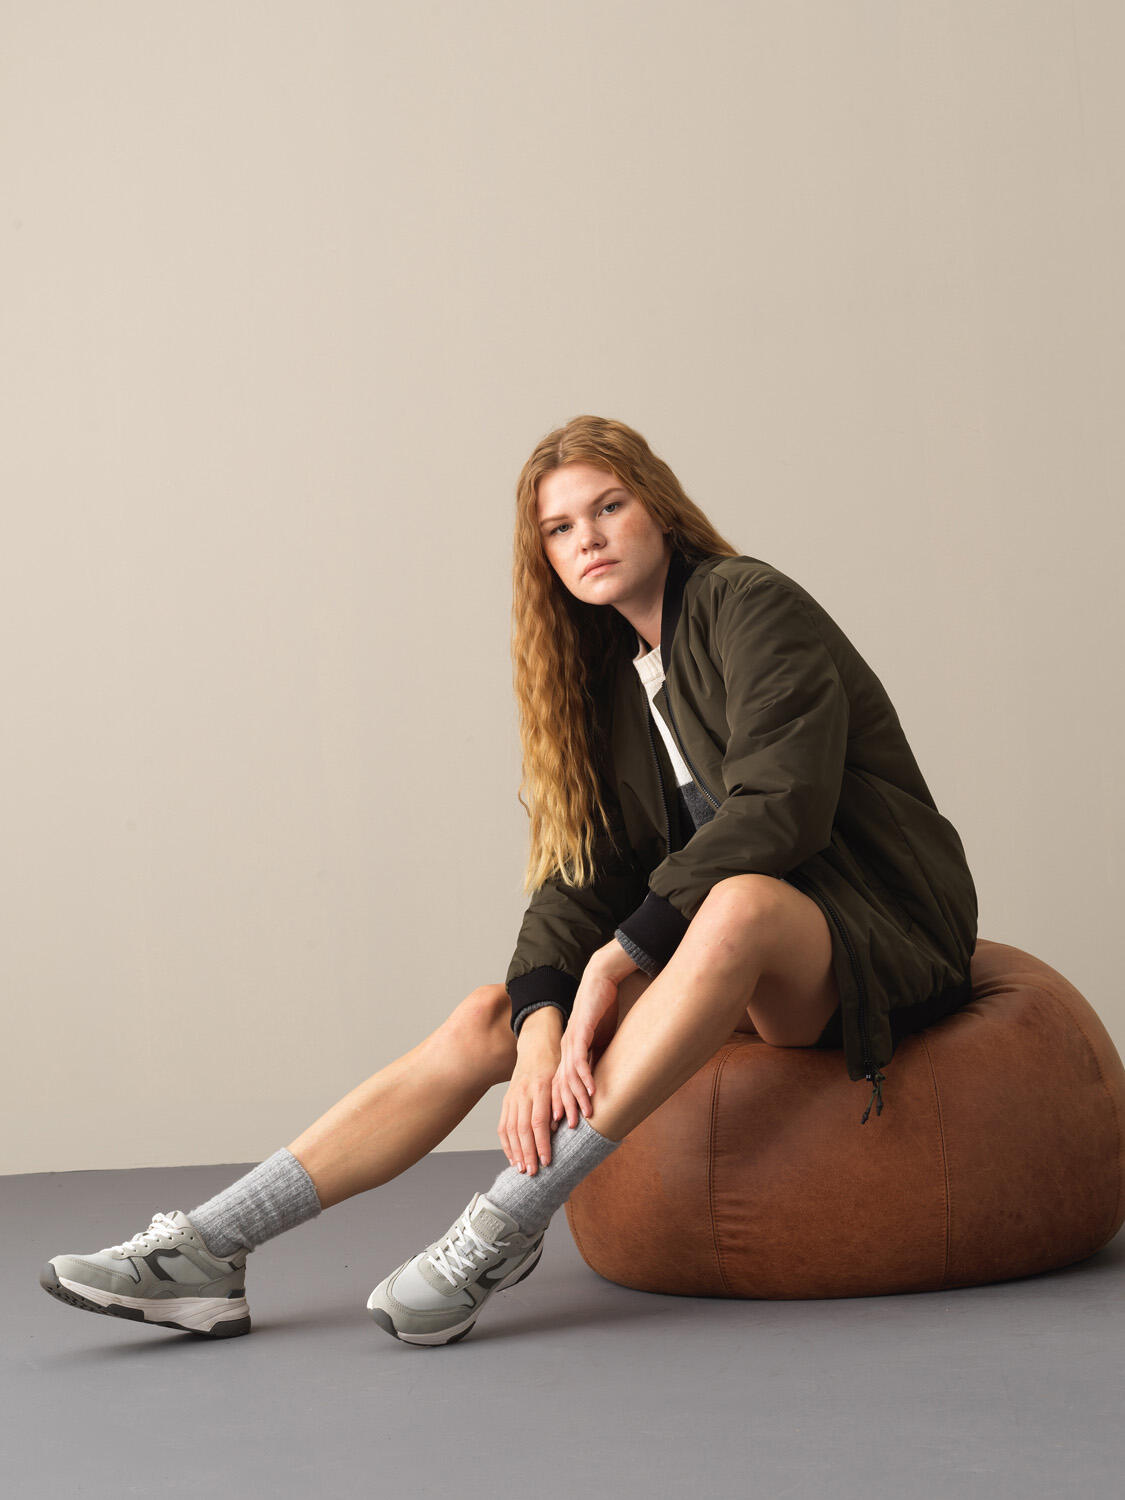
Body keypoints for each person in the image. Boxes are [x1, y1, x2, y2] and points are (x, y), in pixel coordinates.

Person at [39, 414, 978, 1347]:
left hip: (872, 935)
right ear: (546, 559)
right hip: (730, 962)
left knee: (736, 905)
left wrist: (617, 958)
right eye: (560, 529)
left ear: (659, 510)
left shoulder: (747, 603)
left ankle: (505, 1226)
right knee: (488, 1015)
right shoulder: (605, 676)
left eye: (608, 508)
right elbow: (578, 874)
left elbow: (782, 806)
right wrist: (538, 1028)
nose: (588, 539)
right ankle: (211, 1250)